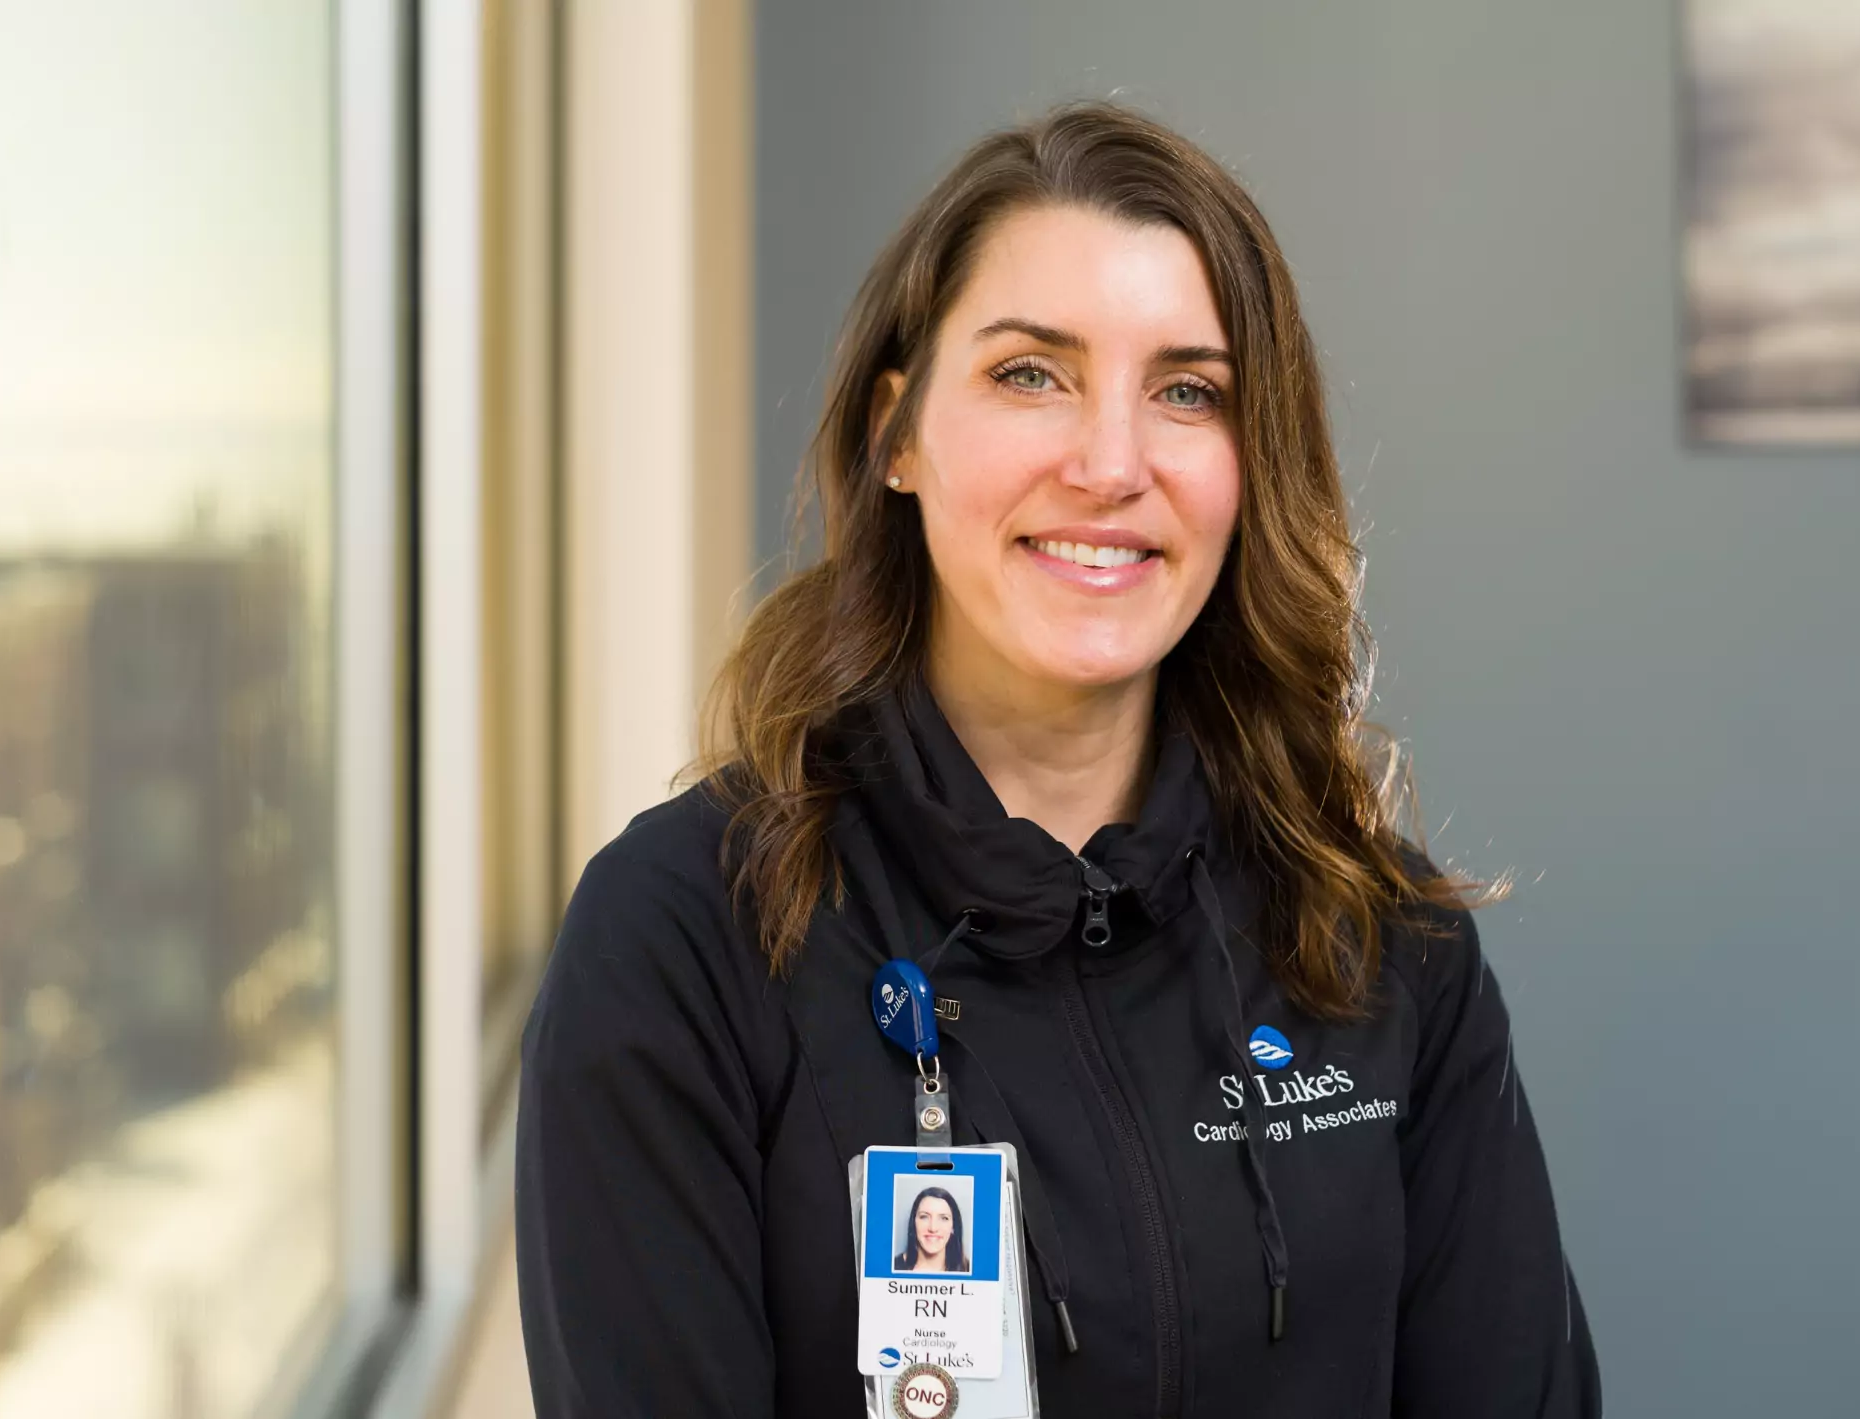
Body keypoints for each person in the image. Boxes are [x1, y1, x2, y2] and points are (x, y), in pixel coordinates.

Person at [516, 100, 1602, 1417]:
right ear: (896, 434)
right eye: (1033, 373)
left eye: (1187, 392)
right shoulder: (684, 938)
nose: (1110, 462)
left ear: (1247, 468)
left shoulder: (1381, 937)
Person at [893, 1186, 969, 1274]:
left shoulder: (969, 1270)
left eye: (944, 1218)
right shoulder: (893, 1266)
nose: (933, 1228)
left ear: (953, 1227)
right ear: (914, 1223)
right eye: (924, 1217)